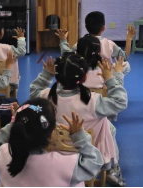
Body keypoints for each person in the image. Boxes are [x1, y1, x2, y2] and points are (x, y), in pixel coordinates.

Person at [30, 54, 128, 187]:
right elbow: (120, 101)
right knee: (108, 125)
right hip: (85, 156)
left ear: (57, 77)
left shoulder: (45, 96)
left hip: (51, 153)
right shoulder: (93, 101)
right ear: (84, 78)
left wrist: (46, 74)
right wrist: (110, 78)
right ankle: (113, 169)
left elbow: (33, 92)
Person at [0, 98, 104, 187]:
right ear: (51, 135)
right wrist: (79, 136)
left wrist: (14, 123)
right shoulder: (66, 165)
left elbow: (0, 144)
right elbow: (95, 162)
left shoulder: (2, 154)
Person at [58, 11, 135, 75]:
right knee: (126, 65)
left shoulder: (80, 43)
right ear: (103, 28)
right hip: (105, 77)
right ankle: (113, 84)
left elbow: (66, 56)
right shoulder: (109, 44)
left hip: (83, 77)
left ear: (86, 27)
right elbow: (124, 57)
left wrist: (63, 40)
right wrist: (129, 38)